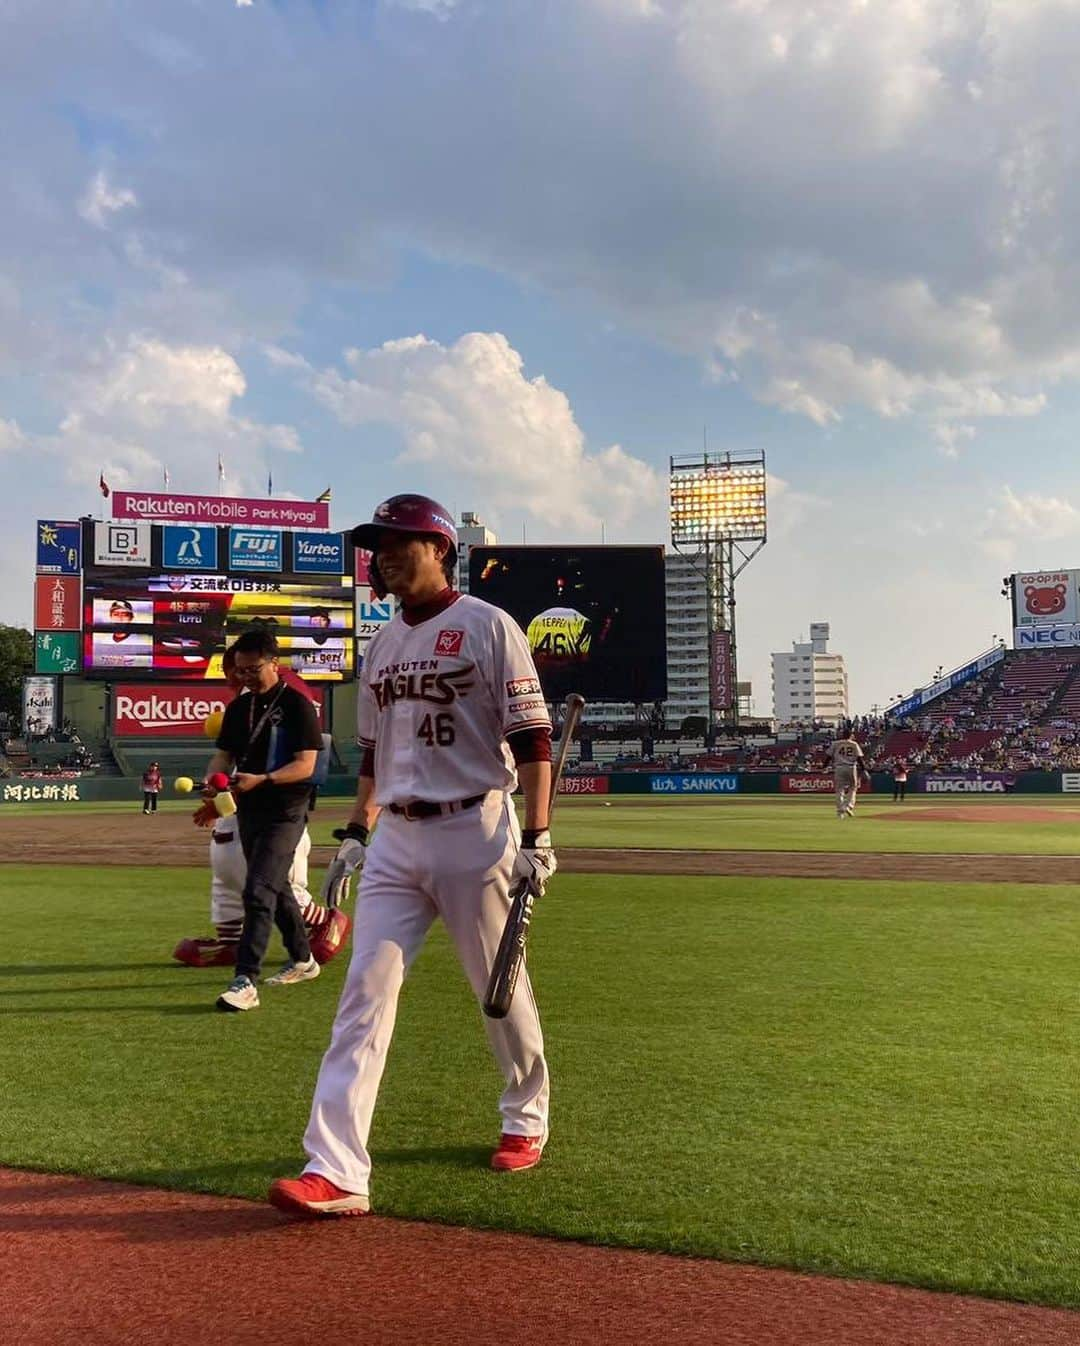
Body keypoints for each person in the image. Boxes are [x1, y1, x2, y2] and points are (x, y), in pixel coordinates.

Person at [269, 493, 556, 1219]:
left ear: (439, 547)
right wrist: (359, 829)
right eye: (377, 545)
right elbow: (374, 750)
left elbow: (533, 742)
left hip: (474, 826)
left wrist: (538, 837)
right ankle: (335, 1170)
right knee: (363, 994)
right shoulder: (384, 645)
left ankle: (525, 1115)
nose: (383, 555)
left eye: (398, 541)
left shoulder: (489, 626)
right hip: (397, 835)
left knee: (499, 986)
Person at [172, 646, 351, 970]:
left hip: (277, 805)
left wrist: (224, 801)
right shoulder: (246, 703)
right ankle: (231, 941)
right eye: (238, 670)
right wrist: (219, 794)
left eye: (243, 669)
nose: (237, 677)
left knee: (271, 879)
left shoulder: (287, 697)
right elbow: (229, 757)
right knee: (226, 866)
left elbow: (290, 761)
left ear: (268, 664)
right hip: (244, 797)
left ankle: (322, 922)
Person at [205, 627, 325, 1012]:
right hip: (248, 808)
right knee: (278, 889)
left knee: (257, 891)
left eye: (253, 669)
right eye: (240, 670)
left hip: (286, 810)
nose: (246, 677)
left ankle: (245, 980)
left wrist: (265, 779)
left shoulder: (297, 706)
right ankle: (304, 960)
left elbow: (306, 765)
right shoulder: (240, 707)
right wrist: (214, 781)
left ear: (275, 664)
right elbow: (223, 756)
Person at [828, 725, 868, 819]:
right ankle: (848, 806)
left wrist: (824, 766)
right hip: (851, 767)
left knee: (839, 789)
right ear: (851, 735)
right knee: (853, 788)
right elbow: (859, 758)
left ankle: (840, 812)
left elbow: (828, 756)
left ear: (842, 735)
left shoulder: (835, 743)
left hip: (839, 767)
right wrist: (864, 770)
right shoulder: (854, 744)